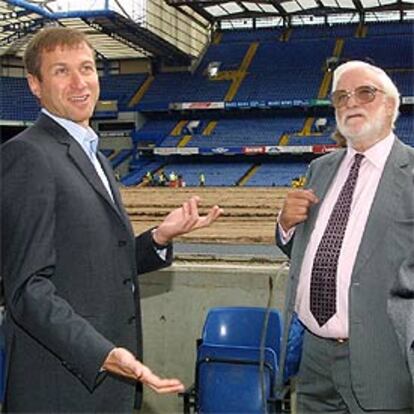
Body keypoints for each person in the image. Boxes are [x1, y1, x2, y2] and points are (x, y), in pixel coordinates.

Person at [0, 27, 222, 413]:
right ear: (35, 85)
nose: (79, 82)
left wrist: (158, 239)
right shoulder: (28, 156)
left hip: (103, 386)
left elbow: (93, 265)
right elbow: (27, 290)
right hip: (62, 388)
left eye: (86, 68)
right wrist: (103, 353)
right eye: (61, 72)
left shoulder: (95, 156)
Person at [276, 60, 414, 413]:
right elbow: (312, 251)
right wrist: (286, 226)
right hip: (313, 356)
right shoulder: (319, 169)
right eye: (341, 97)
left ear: (390, 105)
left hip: (384, 357)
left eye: (364, 93)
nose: (351, 103)